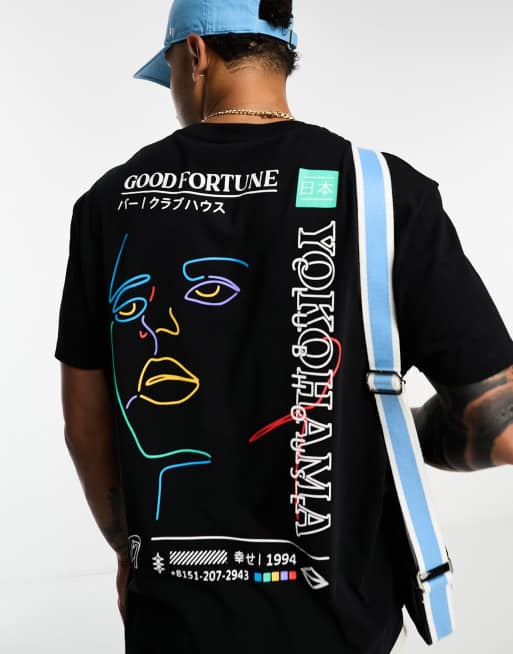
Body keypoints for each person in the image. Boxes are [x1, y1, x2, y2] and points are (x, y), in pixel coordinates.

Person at [54, 1, 513, 653]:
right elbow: (498, 426)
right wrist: (379, 430)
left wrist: (130, 549)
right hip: (338, 622)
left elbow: (87, 424)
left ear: (196, 55)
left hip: (173, 616)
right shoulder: (381, 192)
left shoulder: (110, 201)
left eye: (172, 73)